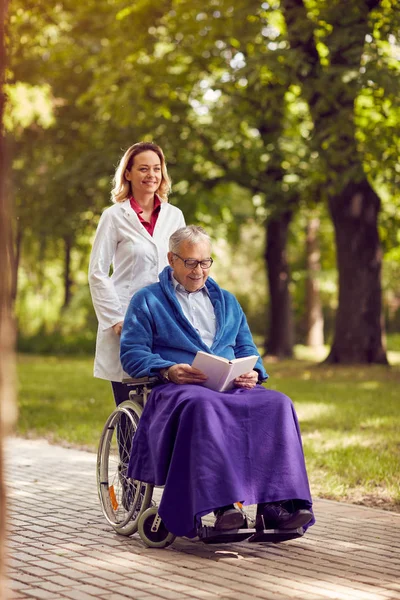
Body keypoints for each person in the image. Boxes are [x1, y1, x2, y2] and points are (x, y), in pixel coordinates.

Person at [120, 225, 314, 538]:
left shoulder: (227, 301)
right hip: (178, 389)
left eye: (205, 262)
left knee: (278, 403)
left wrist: (254, 371)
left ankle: (280, 504)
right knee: (203, 406)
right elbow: (132, 354)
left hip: (230, 385)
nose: (199, 271)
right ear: (171, 259)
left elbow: (247, 348)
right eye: (191, 263)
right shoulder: (147, 300)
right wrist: (169, 369)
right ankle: (225, 506)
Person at [88, 142, 185, 406]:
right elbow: (97, 272)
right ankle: (130, 449)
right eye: (143, 168)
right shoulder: (114, 217)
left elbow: (183, 268)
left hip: (165, 319)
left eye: (156, 168)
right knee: (129, 401)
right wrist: (116, 320)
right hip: (127, 319)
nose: (151, 175)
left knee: (167, 402)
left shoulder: (174, 216)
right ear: (128, 174)